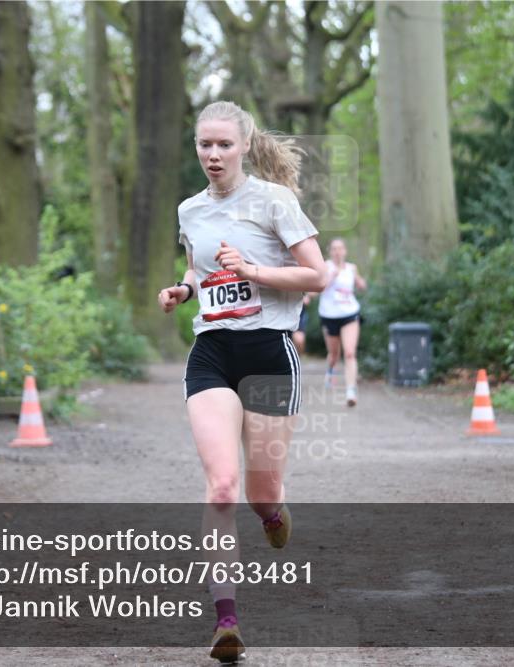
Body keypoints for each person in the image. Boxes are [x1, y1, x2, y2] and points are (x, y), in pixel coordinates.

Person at [157, 101, 327, 663]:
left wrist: (253, 271)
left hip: (270, 353)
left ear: (245, 146)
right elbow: (196, 267)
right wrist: (183, 290)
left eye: (223, 145)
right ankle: (225, 622)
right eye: (204, 144)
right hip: (211, 352)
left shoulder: (276, 201)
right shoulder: (190, 210)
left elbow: (317, 275)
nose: (212, 154)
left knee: (261, 492)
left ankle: (274, 515)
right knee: (222, 486)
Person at [317, 238, 367, 407]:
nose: (338, 252)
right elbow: (318, 289)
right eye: (334, 249)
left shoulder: (352, 268)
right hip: (329, 315)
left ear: (345, 251)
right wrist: (331, 277)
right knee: (334, 355)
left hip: (350, 313)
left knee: (350, 353)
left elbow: (362, 285)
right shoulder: (325, 266)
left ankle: (351, 390)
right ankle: (330, 370)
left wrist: (360, 283)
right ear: (330, 252)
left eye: (340, 248)